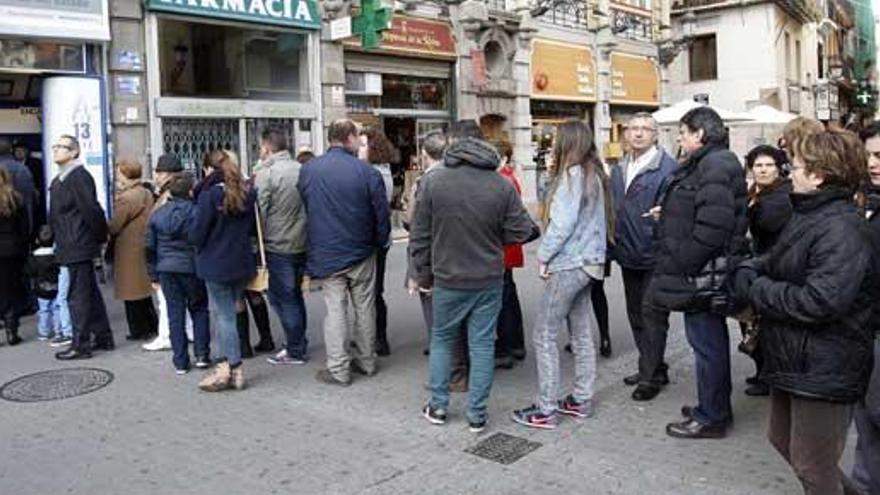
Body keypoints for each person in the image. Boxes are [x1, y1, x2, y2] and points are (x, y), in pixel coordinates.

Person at [734, 130, 876, 494]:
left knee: (813, 465)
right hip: (794, 356)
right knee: (783, 440)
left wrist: (759, 288)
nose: (788, 172)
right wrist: (753, 267)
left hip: (824, 362)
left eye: (795, 166)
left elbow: (821, 300)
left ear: (818, 175)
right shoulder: (809, 213)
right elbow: (782, 258)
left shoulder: (842, 227)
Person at [411, 119, 539, 433]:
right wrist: (495, 240)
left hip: (448, 277)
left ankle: (439, 407)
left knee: (442, 339)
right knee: (481, 346)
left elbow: (419, 236)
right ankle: (477, 415)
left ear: (452, 146)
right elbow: (525, 230)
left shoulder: (434, 182)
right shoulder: (500, 184)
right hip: (488, 278)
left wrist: (422, 275)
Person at [648, 107, 748, 438]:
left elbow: (713, 227)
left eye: (683, 132)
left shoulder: (716, 164)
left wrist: (684, 263)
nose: (680, 138)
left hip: (702, 275)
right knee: (707, 344)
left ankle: (712, 417)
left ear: (700, 135)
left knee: (707, 347)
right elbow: (702, 209)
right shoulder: (710, 162)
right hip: (702, 272)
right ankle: (713, 407)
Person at [510, 120, 609, 429]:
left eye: (556, 140)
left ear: (567, 143)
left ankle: (546, 408)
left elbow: (562, 225)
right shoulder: (596, 175)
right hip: (591, 263)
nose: (552, 145)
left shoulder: (571, 176)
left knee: (544, 334)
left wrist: (543, 255)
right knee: (580, 332)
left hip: (570, 263)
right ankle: (581, 399)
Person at [297, 119, 390, 386]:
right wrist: (378, 242)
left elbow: (306, 202)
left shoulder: (310, 169)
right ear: (349, 137)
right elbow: (380, 214)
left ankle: (338, 368)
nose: (359, 142)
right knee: (365, 307)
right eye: (357, 137)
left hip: (327, 252)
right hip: (362, 251)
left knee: (335, 310)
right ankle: (367, 361)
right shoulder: (366, 171)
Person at [609, 113, 677, 401]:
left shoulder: (667, 168)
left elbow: (675, 212)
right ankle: (653, 366)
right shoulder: (620, 167)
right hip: (628, 252)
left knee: (653, 316)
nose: (638, 134)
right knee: (636, 314)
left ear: (655, 135)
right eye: (633, 129)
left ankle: (650, 378)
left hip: (654, 253)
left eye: (645, 129)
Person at [405, 131, 469, 391]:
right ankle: (460, 371)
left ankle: (452, 377)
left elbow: (416, 228)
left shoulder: (427, 182)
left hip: (434, 263)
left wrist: (417, 273)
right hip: (459, 260)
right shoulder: (462, 178)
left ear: (424, 154)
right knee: (458, 321)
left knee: (438, 324)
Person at [190, 149, 257, 392]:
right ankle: (232, 366)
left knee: (224, 316)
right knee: (234, 310)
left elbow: (197, 233)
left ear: (209, 169)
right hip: (241, 262)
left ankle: (232, 367)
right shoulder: (247, 192)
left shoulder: (209, 196)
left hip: (216, 263)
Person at [49, 135, 113, 360]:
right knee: (89, 293)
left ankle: (81, 344)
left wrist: (99, 237)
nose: (56, 150)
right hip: (70, 244)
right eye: (55, 146)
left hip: (78, 244)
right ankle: (103, 337)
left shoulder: (78, 176)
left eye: (62, 147)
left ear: (74, 152)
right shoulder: (60, 180)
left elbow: (92, 210)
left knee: (77, 296)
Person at [253, 126, 309, 365]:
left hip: (278, 244)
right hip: (302, 240)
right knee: (295, 296)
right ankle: (298, 343)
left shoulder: (267, 174)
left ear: (266, 147)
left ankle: (295, 348)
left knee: (282, 298)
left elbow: (259, 213)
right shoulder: (301, 169)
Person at [145, 173, 211, 374]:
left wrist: (153, 274)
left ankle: (180, 361)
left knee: (175, 313)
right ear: (190, 191)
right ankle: (201, 354)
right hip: (192, 267)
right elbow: (203, 240)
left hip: (166, 268)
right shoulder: (197, 212)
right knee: (199, 308)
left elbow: (149, 247)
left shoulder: (158, 214)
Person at [740, 144, 792, 397]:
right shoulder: (752, 193)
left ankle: (770, 376)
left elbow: (769, 227)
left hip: (771, 265)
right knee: (752, 323)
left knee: (766, 325)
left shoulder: (781, 195)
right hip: (755, 263)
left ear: (778, 168)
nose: (763, 170)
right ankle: (762, 371)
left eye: (768, 165)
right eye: (758, 165)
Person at [851, 122, 880, 494]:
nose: (874, 164)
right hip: (865, 334)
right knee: (869, 430)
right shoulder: (867, 204)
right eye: (870, 155)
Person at [108, 159, 158, 341]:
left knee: (130, 291)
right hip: (141, 244)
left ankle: (139, 329)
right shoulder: (144, 192)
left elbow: (115, 225)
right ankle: (151, 325)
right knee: (143, 291)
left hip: (128, 248)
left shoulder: (127, 197)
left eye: (119, 172)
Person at [142, 154, 184, 352]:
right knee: (179, 298)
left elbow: (157, 229)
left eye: (160, 172)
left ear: (170, 175)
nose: (156, 176)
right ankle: (187, 331)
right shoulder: (181, 193)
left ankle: (166, 335)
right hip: (180, 256)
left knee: (166, 300)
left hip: (167, 255)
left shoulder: (167, 197)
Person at [360, 127, 395, 357]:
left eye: (363, 145)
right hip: (380, 239)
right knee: (374, 291)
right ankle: (375, 338)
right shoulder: (381, 171)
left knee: (373, 292)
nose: (358, 149)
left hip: (375, 240)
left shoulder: (376, 174)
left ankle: (378, 339)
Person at [493, 139, 527, 369]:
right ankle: (515, 343)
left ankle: (506, 347)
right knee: (509, 296)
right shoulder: (508, 177)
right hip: (509, 247)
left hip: (503, 247)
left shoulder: (503, 180)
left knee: (503, 299)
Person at [0, 168, 30, 345]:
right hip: (12, 249)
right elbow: (24, 227)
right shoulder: (15, 198)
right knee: (10, 289)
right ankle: (12, 331)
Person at [27, 226, 70, 343]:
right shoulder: (56, 255)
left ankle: (44, 332)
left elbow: (30, 272)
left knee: (44, 309)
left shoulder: (34, 256)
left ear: (37, 240)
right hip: (56, 285)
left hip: (41, 287)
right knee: (57, 308)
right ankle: (58, 330)